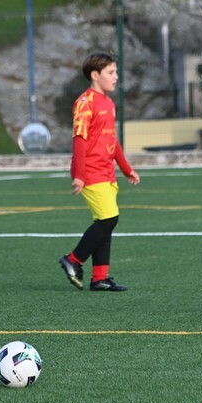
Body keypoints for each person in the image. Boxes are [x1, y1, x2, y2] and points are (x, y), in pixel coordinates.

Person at [58, 52, 140, 291]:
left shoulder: (108, 103)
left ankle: (100, 278)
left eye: (116, 72)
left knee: (106, 222)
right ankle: (73, 260)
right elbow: (79, 139)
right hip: (91, 171)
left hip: (106, 171)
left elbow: (112, 140)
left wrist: (126, 169)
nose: (116, 77)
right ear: (95, 75)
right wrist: (79, 175)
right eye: (111, 72)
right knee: (108, 219)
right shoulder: (85, 102)